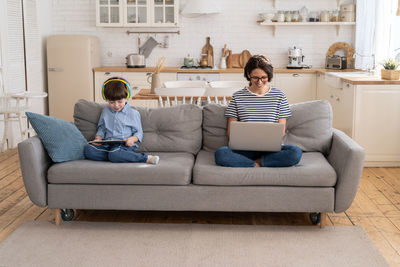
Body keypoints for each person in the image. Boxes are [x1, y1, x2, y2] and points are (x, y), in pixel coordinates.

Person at [214, 55, 302, 168]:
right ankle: (260, 163)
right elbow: (230, 132)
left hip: (271, 150)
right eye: (255, 78)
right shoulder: (237, 96)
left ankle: (253, 163)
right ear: (249, 75)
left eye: (263, 78)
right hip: (244, 149)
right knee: (221, 154)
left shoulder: (279, 96)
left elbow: (282, 131)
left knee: (295, 153)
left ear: (269, 76)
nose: (259, 82)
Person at [84, 77, 159, 164]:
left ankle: (146, 158)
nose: (116, 105)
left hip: (124, 145)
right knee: (88, 150)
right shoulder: (105, 111)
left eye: (120, 102)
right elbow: (102, 128)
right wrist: (98, 138)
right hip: (107, 144)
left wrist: (132, 139)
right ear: (106, 99)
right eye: (112, 102)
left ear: (127, 96)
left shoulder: (133, 113)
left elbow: (138, 133)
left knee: (115, 153)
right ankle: (116, 156)